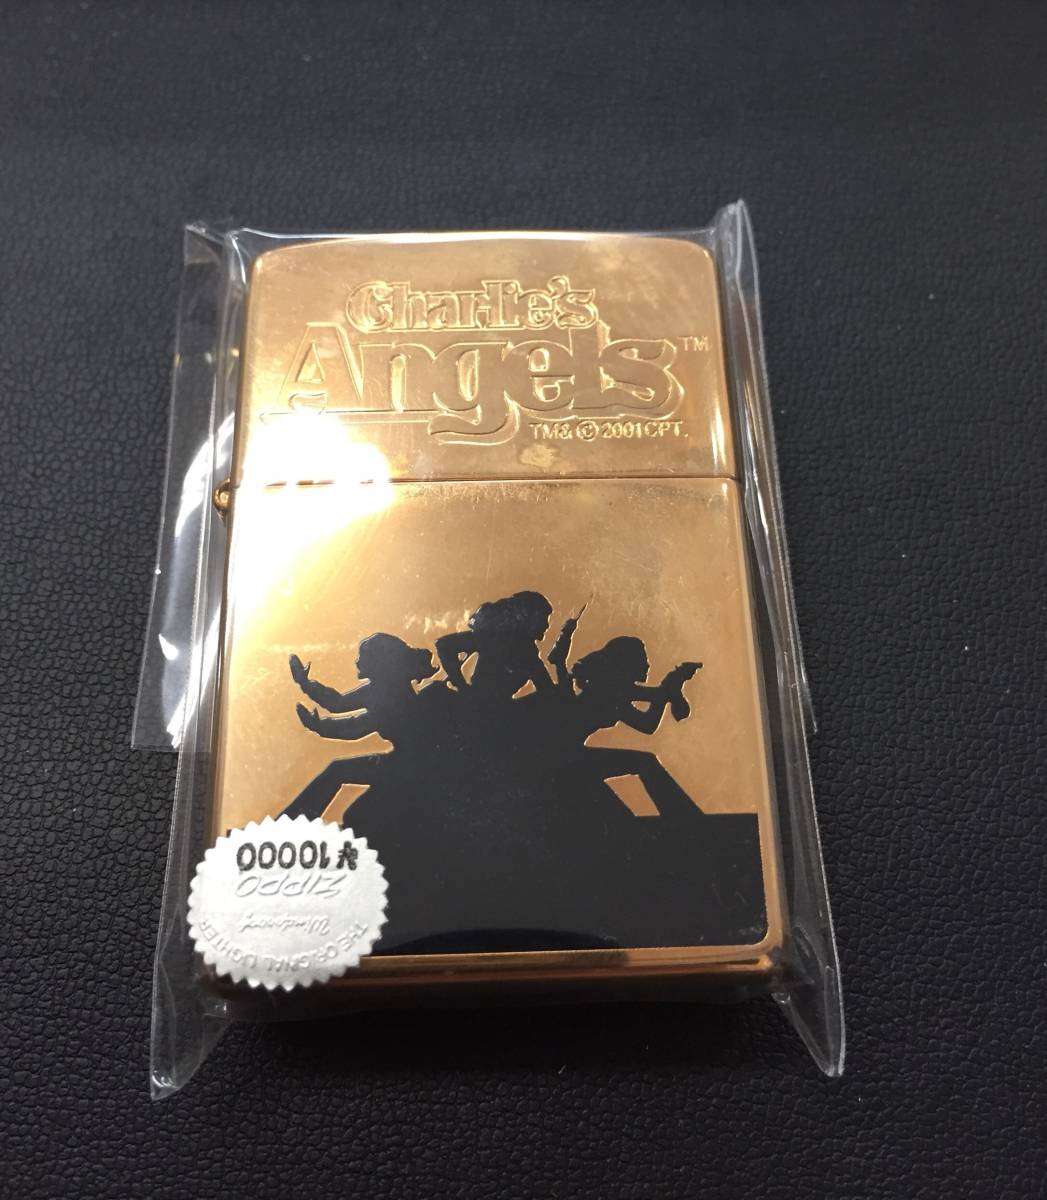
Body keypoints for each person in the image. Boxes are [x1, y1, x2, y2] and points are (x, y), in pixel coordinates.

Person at [282, 633, 445, 820]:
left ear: (378, 663)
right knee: (339, 773)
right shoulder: (377, 689)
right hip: (405, 761)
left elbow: (354, 727)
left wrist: (318, 725)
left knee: (340, 775)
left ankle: (291, 823)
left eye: (363, 657)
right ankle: (293, 821)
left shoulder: (386, 694)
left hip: (410, 765)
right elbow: (337, 703)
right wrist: (306, 685)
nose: (357, 662)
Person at [435, 590, 565, 700]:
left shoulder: (527, 651)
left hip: (498, 710)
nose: (546, 625)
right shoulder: (495, 637)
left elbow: (547, 689)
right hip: (482, 709)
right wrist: (462, 687)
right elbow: (444, 645)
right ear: (528, 617)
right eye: (543, 618)